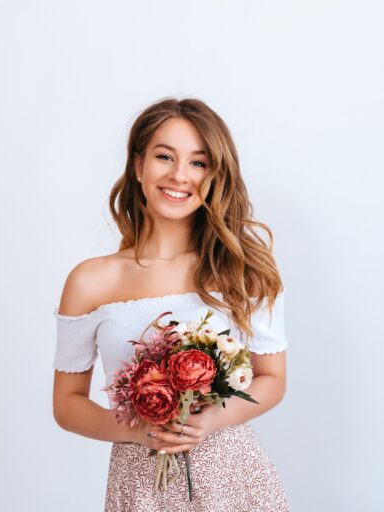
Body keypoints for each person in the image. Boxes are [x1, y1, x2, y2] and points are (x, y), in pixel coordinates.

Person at [52, 97, 290, 511]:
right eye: (165, 156)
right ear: (138, 165)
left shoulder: (243, 270)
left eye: (198, 163)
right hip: (141, 483)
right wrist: (136, 429)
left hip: (233, 477)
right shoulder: (90, 281)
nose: (180, 175)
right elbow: (66, 404)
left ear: (216, 176)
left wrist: (213, 418)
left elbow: (272, 378)